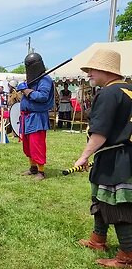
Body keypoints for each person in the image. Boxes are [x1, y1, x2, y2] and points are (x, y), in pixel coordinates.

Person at [74, 49, 132, 267]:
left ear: (106, 70)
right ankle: (98, 239)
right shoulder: (129, 89)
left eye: (92, 69)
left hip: (118, 158)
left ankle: (127, 256)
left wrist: (83, 156)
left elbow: (100, 132)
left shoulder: (109, 93)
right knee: (100, 199)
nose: (88, 73)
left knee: (120, 206)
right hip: (118, 155)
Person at [18, 53, 54, 180]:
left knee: (36, 144)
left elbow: (42, 96)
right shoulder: (32, 80)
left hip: (37, 117)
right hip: (27, 117)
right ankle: (32, 168)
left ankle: (41, 171)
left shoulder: (45, 80)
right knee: (27, 145)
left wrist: (26, 91)